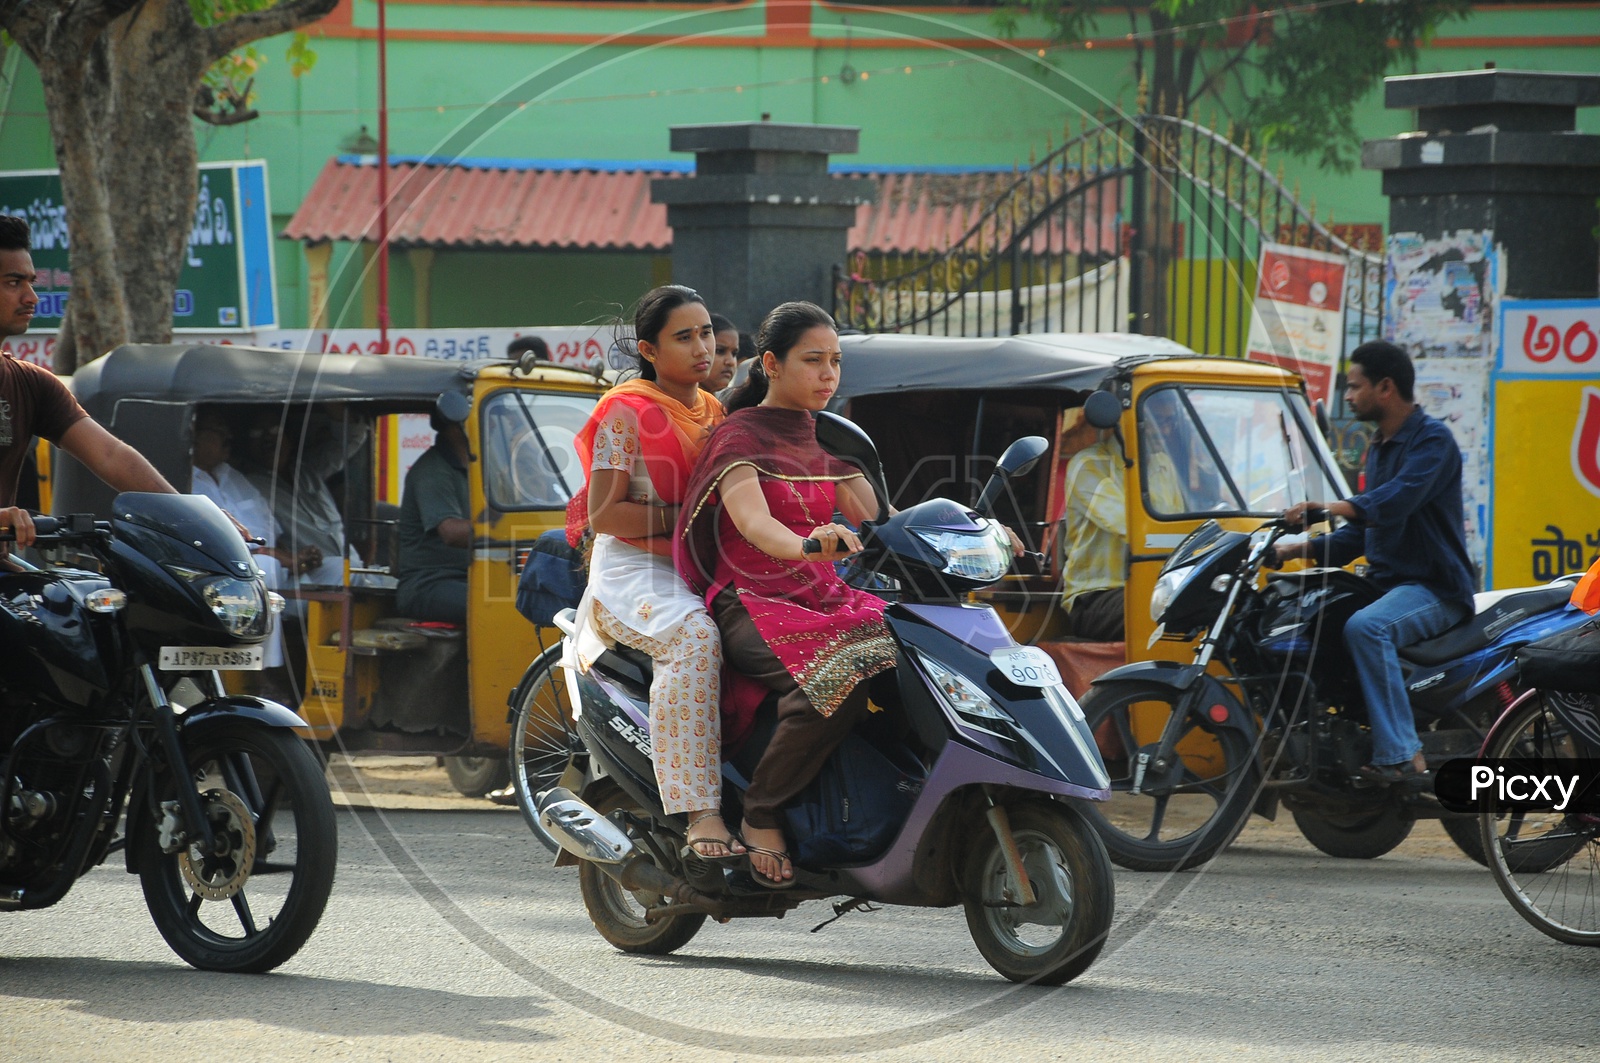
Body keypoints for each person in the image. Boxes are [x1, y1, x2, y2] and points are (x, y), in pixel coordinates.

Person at [677, 301, 896, 888]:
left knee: (916, 656)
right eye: (814, 361)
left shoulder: (831, 438)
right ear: (771, 364)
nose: (829, 375)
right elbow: (754, 523)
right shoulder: (737, 436)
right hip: (750, 600)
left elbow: (883, 519)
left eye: (837, 362)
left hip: (825, 598)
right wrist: (806, 546)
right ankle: (761, 811)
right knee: (837, 680)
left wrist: (974, 529)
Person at [571, 285, 742, 862]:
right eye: (684, 337)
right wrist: (687, 518)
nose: (702, 348)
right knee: (695, 640)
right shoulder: (625, 411)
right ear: (648, 349)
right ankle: (701, 812)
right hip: (635, 568)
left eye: (706, 334)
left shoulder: (713, 409)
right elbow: (605, 513)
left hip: (700, 560)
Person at [1273, 340, 1474, 785]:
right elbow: (1361, 534)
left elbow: (1396, 501)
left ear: (1385, 387)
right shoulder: (1379, 448)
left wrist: (1331, 506)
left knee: (1368, 627)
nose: (1347, 396)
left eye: (1354, 385)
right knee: (1318, 617)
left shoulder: (1432, 441)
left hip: (1435, 589)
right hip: (1389, 585)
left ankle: (1403, 754)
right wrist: (1293, 551)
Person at [0, 214, 179, 553]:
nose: (31, 298)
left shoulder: (33, 384)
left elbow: (111, 455)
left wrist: (191, 517)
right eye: (13, 283)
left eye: (31, 282)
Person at [1057, 406, 1184, 640]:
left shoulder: (1163, 465)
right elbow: (1133, 527)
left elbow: (1184, 523)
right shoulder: (1088, 464)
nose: (1165, 431)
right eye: (1159, 422)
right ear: (1128, 419)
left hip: (1156, 588)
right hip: (1095, 599)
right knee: (1177, 608)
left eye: (1169, 423)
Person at [190, 408, 302, 674]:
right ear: (194, 437)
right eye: (217, 431)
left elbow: (271, 526)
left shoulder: (233, 477)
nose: (227, 437)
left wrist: (295, 558)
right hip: (222, 573)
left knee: (336, 568)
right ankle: (265, 672)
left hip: (274, 564)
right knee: (266, 568)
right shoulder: (185, 479)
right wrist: (278, 557)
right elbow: (213, 540)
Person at [245, 405, 371, 588]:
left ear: (289, 438)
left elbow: (353, 437)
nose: (267, 439)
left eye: (275, 430)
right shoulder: (249, 486)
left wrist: (327, 392)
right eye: (256, 434)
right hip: (309, 578)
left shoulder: (308, 470)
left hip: (353, 572)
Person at [396, 392, 473, 625]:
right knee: (501, 606)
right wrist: (500, 527)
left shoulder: (478, 469)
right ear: (457, 427)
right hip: (428, 584)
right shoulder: (432, 470)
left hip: (469, 577)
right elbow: (451, 532)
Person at [705, 314, 739, 393]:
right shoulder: (674, 402)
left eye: (734, 354)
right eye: (720, 351)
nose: (731, 362)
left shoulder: (719, 404)